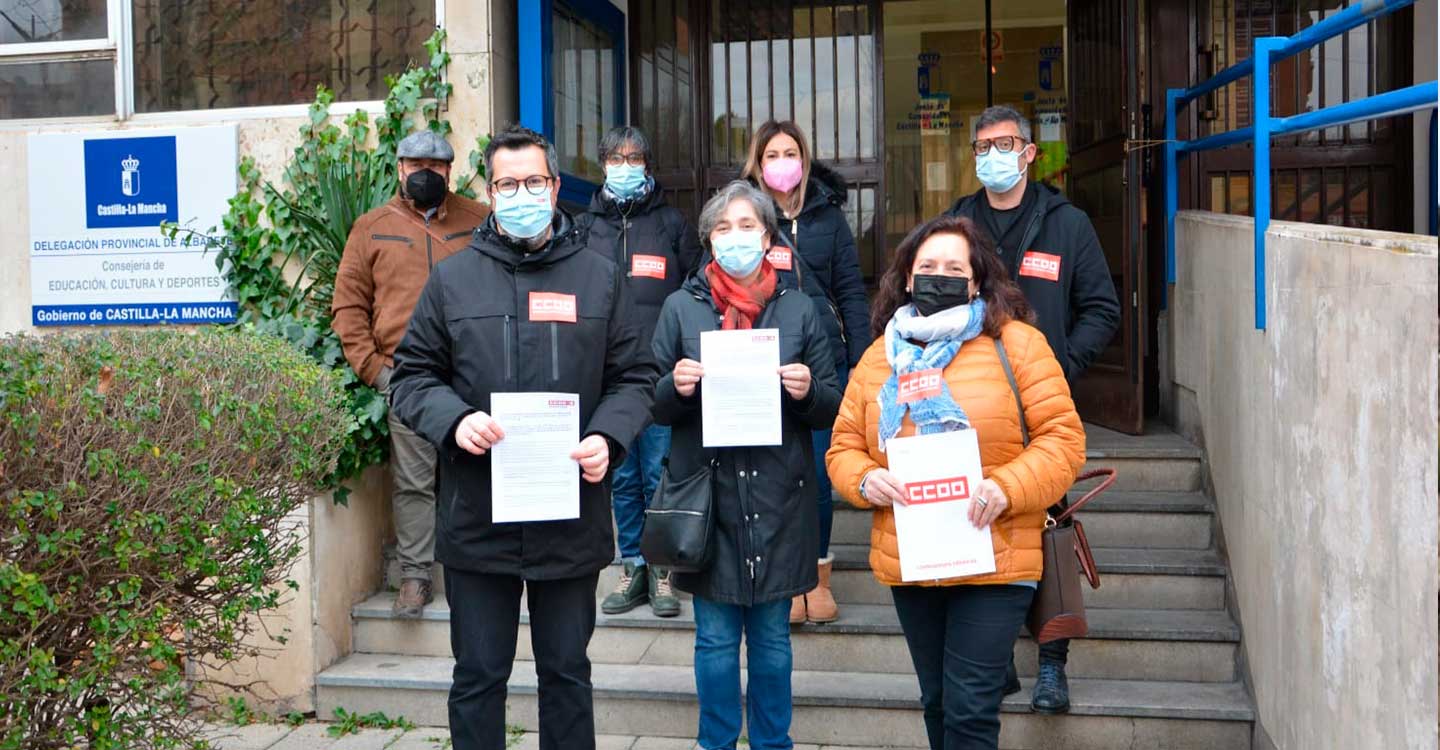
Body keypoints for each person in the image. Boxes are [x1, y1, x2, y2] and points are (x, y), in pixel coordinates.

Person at [388, 125, 659, 750]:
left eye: (534, 182)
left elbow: (636, 377)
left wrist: (608, 438)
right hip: (477, 520)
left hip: (569, 518)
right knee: (479, 676)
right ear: (489, 191)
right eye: (508, 184)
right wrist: (455, 420)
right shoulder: (453, 281)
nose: (522, 194)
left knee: (567, 674)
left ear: (556, 187)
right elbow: (411, 377)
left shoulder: (599, 278)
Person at [826, 214, 1085, 750]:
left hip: (995, 554)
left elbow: (1063, 440)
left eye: (953, 267)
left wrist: (1007, 487)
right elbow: (843, 446)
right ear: (906, 277)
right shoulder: (880, 357)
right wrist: (866, 478)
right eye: (927, 267)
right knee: (937, 701)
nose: (938, 276)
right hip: (913, 560)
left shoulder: (1018, 345)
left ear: (976, 280)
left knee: (970, 708)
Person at [651, 181, 841, 750]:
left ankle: (772, 743)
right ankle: (716, 742)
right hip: (708, 499)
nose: (736, 237)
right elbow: (649, 400)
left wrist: (807, 390)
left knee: (773, 643)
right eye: (723, 228)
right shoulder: (681, 307)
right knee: (712, 641)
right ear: (709, 239)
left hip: (779, 498)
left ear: (768, 235)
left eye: (748, 226)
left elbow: (832, 403)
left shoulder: (799, 308)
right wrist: (677, 386)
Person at [944, 104, 1121, 714]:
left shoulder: (1067, 223)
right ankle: (991, 666)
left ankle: (1052, 665)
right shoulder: (957, 226)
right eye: (983, 144)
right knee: (979, 526)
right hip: (971, 408)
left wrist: (1061, 368)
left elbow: (1103, 307)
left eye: (1006, 142)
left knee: (1046, 532)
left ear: (1028, 152)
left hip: (1042, 411)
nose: (994, 153)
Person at [331, 129, 490, 619]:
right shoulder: (370, 227)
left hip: (472, 374)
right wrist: (378, 373)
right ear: (399, 168)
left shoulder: (480, 221)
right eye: (417, 164)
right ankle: (416, 577)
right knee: (415, 481)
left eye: (437, 166)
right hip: (409, 377)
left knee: (478, 473)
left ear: (451, 170)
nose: (427, 173)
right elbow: (348, 307)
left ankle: (486, 568)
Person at [741, 119, 871, 625]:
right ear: (757, 162)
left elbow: (851, 292)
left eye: (789, 152)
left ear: (804, 158)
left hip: (822, 363)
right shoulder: (744, 215)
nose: (780, 163)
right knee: (771, 472)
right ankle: (782, 578)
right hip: (759, 358)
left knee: (817, 473)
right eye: (770, 154)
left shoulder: (828, 218)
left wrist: (860, 358)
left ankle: (817, 577)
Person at [580, 126, 705, 619]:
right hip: (605, 377)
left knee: (659, 472)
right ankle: (630, 565)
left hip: (659, 373)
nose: (625, 165)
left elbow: (696, 285)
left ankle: (662, 571)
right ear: (602, 163)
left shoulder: (671, 223)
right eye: (616, 157)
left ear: (648, 165)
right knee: (623, 475)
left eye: (635, 157)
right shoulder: (585, 226)